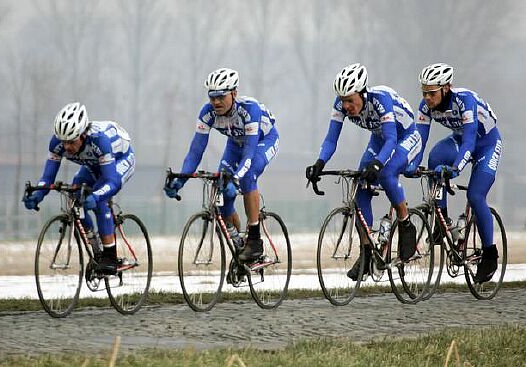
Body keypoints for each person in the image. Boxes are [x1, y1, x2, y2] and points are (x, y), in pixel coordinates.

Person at [306, 63, 421, 281]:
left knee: (386, 174)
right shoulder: (340, 105)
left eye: (350, 100)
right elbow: (331, 139)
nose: (346, 105)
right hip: (379, 139)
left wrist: (377, 164)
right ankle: (367, 252)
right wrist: (319, 163)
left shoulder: (381, 100)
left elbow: (392, 139)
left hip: (405, 137)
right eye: (343, 100)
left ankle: (406, 225)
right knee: (360, 186)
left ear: (362, 93)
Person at [164, 68, 279, 263]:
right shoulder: (207, 113)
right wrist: (182, 178)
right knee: (223, 191)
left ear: (234, 93)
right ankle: (238, 246)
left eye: (220, 97)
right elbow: (196, 151)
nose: (216, 102)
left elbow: (249, 153)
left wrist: (236, 177)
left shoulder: (249, 109)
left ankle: (254, 239)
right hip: (235, 144)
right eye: (212, 97)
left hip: (262, 141)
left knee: (247, 175)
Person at [414, 63, 502, 283]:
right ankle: (441, 220)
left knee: (475, 195)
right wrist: (411, 164)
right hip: (460, 139)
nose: (427, 98)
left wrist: (455, 169)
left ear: (446, 88)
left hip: (486, 144)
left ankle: (490, 254)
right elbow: (419, 141)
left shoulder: (465, 101)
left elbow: (471, 140)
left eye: (432, 93)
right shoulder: (426, 107)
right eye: (424, 92)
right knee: (434, 158)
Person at [23, 102, 135, 275]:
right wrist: (38, 194)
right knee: (76, 194)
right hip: (92, 165)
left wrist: (96, 196)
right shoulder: (57, 144)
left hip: (120, 160)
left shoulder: (100, 141)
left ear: (83, 134)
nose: (67, 147)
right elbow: (47, 178)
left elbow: (111, 180)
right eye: (63, 141)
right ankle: (95, 246)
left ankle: (110, 256)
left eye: (71, 142)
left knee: (100, 199)